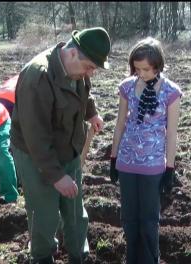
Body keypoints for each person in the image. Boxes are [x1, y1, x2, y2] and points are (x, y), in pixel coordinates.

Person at [10, 27, 111, 264]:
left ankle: (79, 256)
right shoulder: (38, 76)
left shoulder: (78, 71)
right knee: (43, 213)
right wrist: (56, 176)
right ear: (73, 53)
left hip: (69, 147)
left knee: (75, 210)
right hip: (35, 154)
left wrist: (91, 113)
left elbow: (83, 94)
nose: (90, 74)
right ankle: (43, 257)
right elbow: (36, 136)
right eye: (89, 67)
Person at [110, 37, 182, 264]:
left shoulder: (171, 92)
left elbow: (171, 133)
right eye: (137, 68)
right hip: (126, 162)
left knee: (149, 221)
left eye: (146, 69)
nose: (141, 73)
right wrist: (113, 158)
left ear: (158, 66)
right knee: (130, 219)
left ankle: (151, 260)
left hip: (153, 167)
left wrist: (170, 168)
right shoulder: (127, 87)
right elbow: (120, 124)